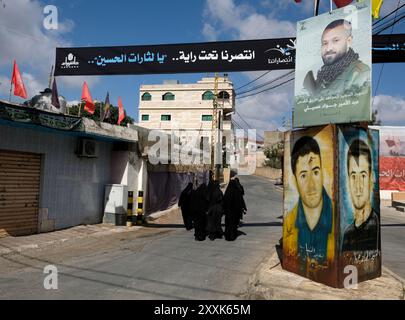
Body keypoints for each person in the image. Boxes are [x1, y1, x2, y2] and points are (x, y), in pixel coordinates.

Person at [283, 136, 334, 272]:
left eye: (316, 172)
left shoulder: (337, 218)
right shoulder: (289, 222)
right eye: (303, 175)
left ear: (323, 172)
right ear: (295, 180)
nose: (311, 185)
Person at [303, 19, 370, 97]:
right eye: (325, 43)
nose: (328, 48)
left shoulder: (360, 72)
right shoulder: (320, 77)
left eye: (335, 40)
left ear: (349, 41)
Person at [342, 139, 380, 252]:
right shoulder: (347, 234)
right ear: (348, 180)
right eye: (353, 176)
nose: (358, 187)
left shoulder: (375, 225)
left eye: (363, 176)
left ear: (371, 177)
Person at [223, 170, 246, 241]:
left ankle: (227, 236)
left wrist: (224, 210)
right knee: (233, 224)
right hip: (235, 213)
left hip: (228, 212)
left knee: (228, 224)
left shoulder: (228, 192)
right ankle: (233, 236)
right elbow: (241, 201)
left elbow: (224, 201)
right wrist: (243, 209)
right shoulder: (237, 192)